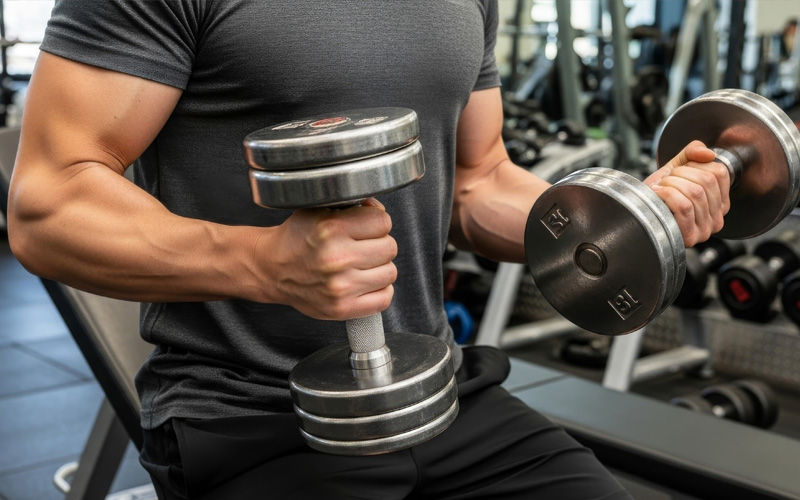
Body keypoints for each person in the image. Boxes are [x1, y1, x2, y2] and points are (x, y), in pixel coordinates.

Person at [7, 1, 729, 499]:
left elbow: (477, 186)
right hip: (248, 415)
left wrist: (626, 213)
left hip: (441, 393)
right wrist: (262, 264)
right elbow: (47, 206)